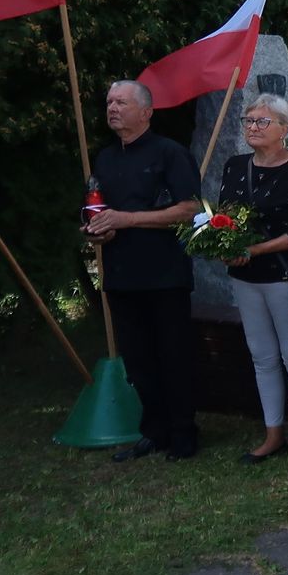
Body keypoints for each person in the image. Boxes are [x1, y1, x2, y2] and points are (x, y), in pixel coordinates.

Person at [85, 79, 202, 462]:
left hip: (164, 274)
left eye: (121, 101)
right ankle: (155, 431)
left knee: (173, 355)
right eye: (109, 102)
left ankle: (184, 434)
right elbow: (98, 209)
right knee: (138, 359)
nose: (112, 108)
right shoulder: (104, 158)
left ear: (146, 112)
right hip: (121, 274)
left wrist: (129, 219)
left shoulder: (170, 153)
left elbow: (190, 209)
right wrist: (97, 230)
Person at [217, 92, 288, 468]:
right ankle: (272, 433)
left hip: (283, 276)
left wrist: (256, 250)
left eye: (262, 122)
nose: (253, 128)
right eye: (249, 121)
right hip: (245, 277)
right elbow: (224, 214)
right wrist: (220, 241)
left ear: (284, 129)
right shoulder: (234, 165)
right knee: (262, 358)